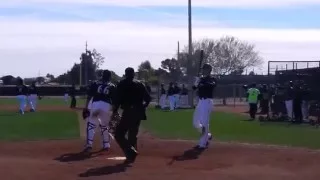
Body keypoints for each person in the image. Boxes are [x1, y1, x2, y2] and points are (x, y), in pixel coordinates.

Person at [113, 67, 151, 164]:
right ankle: (131, 156)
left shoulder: (122, 84)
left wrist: (114, 111)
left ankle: (130, 151)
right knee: (132, 133)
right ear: (133, 74)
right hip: (139, 111)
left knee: (119, 134)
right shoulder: (140, 84)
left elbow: (117, 99)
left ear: (125, 74)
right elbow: (148, 99)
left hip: (128, 111)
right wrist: (143, 107)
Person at [82, 70, 116, 153]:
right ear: (109, 77)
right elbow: (115, 101)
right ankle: (106, 145)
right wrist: (114, 111)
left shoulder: (95, 83)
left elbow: (89, 96)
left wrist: (86, 107)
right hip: (106, 105)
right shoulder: (112, 86)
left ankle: (89, 145)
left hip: (96, 104)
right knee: (104, 126)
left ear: (102, 75)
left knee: (91, 125)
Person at [192, 64, 216, 150]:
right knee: (195, 122)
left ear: (209, 70)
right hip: (200, 102)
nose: (203, 71)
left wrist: (202, 82)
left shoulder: (212, 79)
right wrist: (197, 81)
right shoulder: (201, 79)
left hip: (207, 102)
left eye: (204, 69)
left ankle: (202, 143)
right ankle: (208, 135)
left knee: (204, 122)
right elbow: (194, 88)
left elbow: (211, 85)